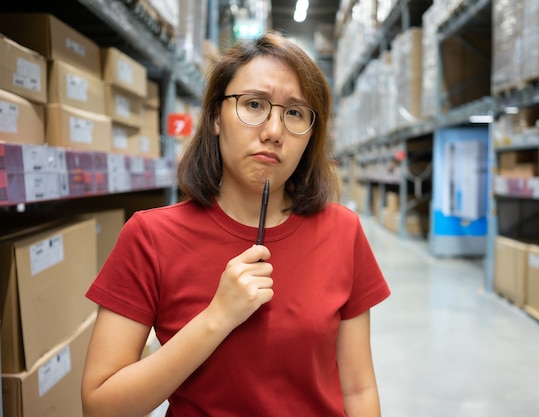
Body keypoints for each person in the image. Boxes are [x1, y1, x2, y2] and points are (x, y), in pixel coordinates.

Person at [81, 31, 390, 417]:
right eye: (254, 104)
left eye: (294, 113)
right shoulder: (150, 237)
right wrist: (217, 317)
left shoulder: (343, 231)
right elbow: (101, 407)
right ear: (214, 116)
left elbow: (359, 389)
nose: (274, 132)